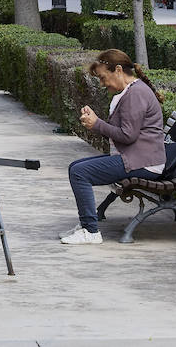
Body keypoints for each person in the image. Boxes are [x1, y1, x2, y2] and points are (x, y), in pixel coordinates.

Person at [62, 49, 166, 245]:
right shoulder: (132, 91)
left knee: (79, 172)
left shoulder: (135, 94)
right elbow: (124, 132)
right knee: (75, 167)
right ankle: (86, 227)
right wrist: (96, 123)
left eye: (103, 77)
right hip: (137, 158)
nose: (102, 84)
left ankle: (90, 231)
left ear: (118, 69)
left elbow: (128, 135)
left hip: (143, 162)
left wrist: (97, 124)